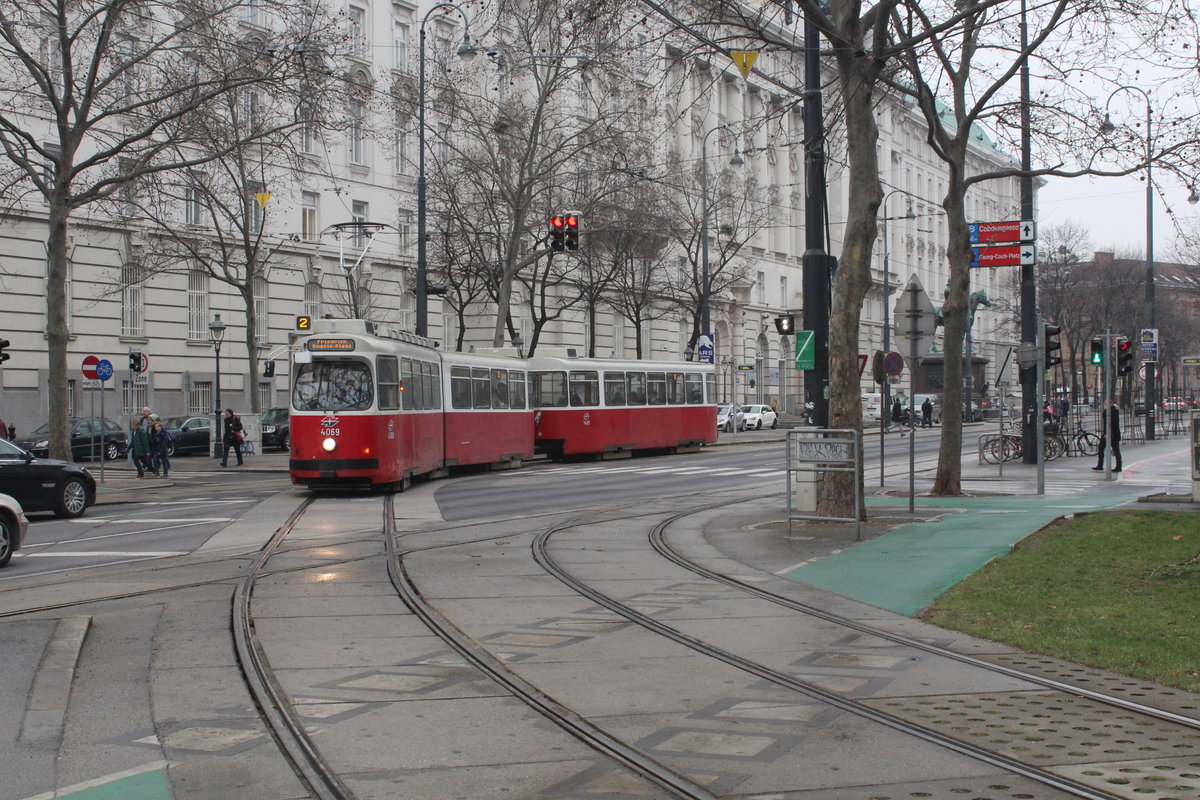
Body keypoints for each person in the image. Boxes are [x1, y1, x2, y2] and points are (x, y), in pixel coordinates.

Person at [1092, 399, 1122, 472]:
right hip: (1113, 434)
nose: (1104, 405)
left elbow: (1110, 424)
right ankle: (1118, 466)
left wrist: (1107, 434)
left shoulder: (1110, 411)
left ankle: (1100, 465)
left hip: (1110, 434)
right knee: (1116, 450)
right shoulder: (1114, 410)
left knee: (1102, 448)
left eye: (1105, 404)